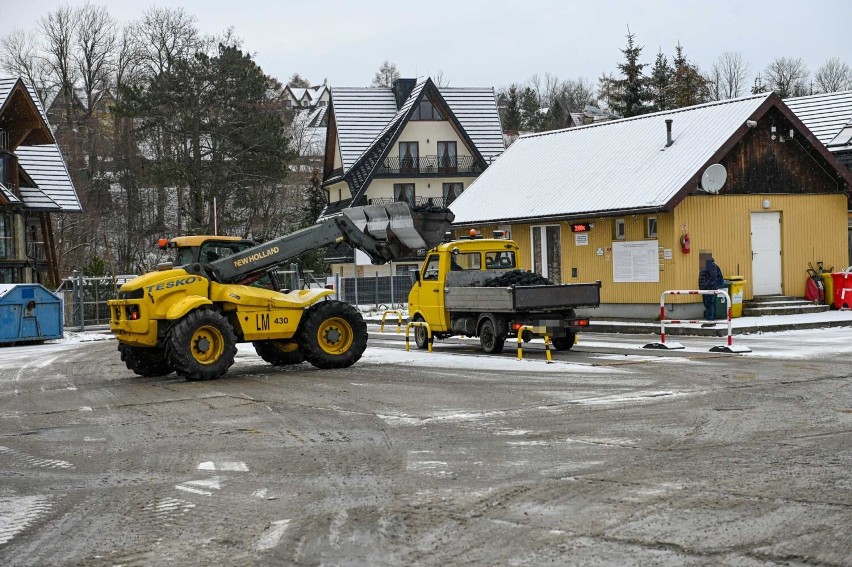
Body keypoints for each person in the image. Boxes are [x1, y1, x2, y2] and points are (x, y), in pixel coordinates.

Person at [699, 256, 724, 324]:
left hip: (710, 288)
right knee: (707, 303)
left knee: (709, 303)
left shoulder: (711, 265)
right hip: (705, 288)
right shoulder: (705, 265)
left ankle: (710, 320)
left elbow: (713, 276)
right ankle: (709, 318)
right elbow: (702, 277)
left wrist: (707, 285)